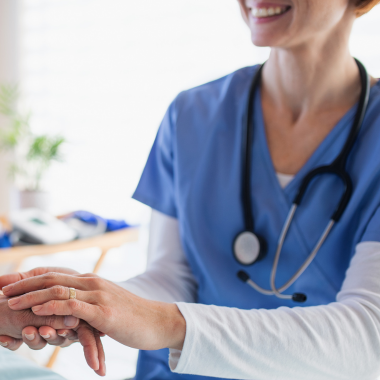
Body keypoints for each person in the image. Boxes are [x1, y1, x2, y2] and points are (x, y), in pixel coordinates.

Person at [1, 0, 380, 379]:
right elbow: (171, 277)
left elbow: (369, 333)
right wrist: (76, 303)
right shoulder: (193, 113)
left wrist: (169, 324)